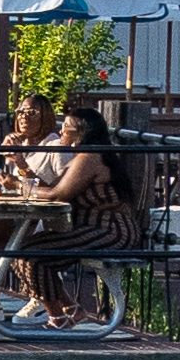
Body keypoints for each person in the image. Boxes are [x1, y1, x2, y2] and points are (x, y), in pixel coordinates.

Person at [11, 105, 143, 326]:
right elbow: (48, 187)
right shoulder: (79, 158)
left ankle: (58, 318)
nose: (61, 131)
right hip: (88, 228)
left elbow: (56, 195)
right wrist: (20, 166)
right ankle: (70, 309)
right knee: (22, 249)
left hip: (110, 230)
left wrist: (18, 186)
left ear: (81, 131)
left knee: (33, 254)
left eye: (67, 127)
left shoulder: (89, 158)